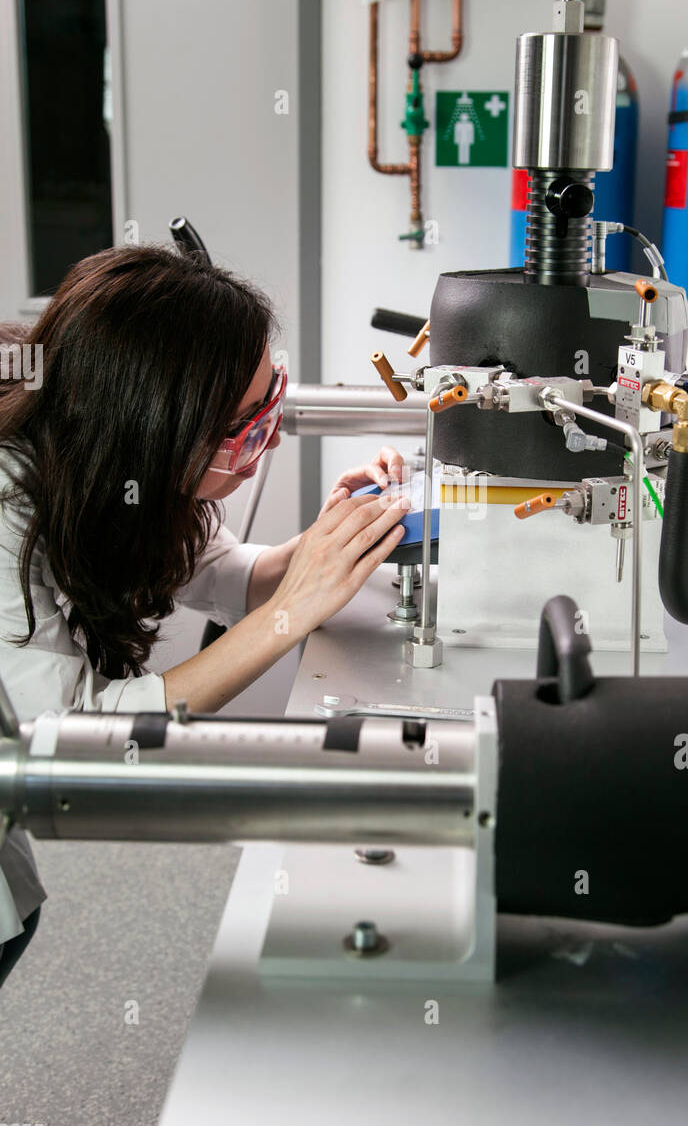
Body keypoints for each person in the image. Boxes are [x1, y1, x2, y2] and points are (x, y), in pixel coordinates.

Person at [0, 243, 410, 985]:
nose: (272, 440)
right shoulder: (9, 505)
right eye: (247, 428)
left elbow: (221, 573)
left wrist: (321, 546)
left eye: (271, 406)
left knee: (13, 922)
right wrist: (289, 614)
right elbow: (73, 736)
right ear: (150, 427)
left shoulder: (111, 464)